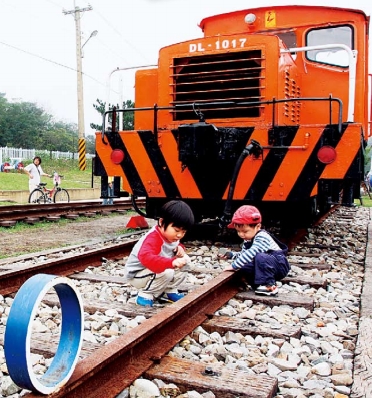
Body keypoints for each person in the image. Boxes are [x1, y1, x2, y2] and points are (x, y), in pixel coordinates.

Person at [124, 200, 195, 307]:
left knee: (185, 260)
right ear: (161, 222)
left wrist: (180, 248)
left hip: (153, 271)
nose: (180, 235)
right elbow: (148, 259)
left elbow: (172, 246)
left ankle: (170, 289)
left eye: (183, 232)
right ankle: (146, 294)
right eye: (176, 230)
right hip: (137, 275)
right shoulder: (153, 238)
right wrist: (171, 263)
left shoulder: (170, 236)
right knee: (167, 271)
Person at [220, 205, 290, 296]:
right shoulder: (248, 239)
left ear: (258, 226)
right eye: (238, 231)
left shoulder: (262, 236)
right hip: (266, 265)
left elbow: (252, 252)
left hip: (279, 265)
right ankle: (258, 285)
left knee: (260, 256)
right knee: (245, 266)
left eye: (245, 231)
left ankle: (270, 286)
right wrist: (231, 255)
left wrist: (234, 265)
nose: (241, 235)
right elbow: (244, 254)